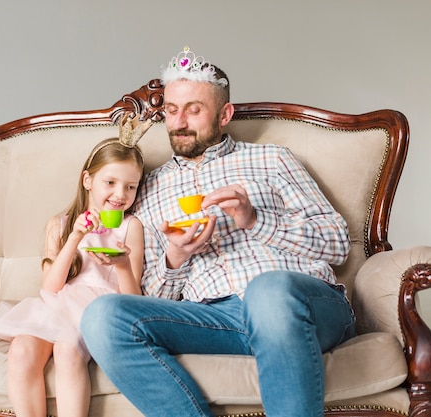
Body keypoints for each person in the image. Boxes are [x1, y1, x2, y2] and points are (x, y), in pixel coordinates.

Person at [80, 46, 356, 417]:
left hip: (298, 306)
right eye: (172, 110)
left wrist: (255, 220)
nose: (179, 122)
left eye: (194, 109)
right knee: (103, 316)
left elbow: (338, 244)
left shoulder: (272, 159)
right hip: (217, 318)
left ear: (225, 114)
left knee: (268, 290)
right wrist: (176, 257)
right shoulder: (147, 190)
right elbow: (151, 295)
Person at [0, 114, 152, 417]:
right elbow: (50, 288)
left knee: (66, 349)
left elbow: (133, 300)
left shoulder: (131, 227)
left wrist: (123, 264)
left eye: (131, 187)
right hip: (58, 304)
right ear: (88, 180)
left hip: (98, 310)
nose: (120, 194)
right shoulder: (60, 225)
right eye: (111, 183)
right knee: (22, 350)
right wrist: (76, 236)